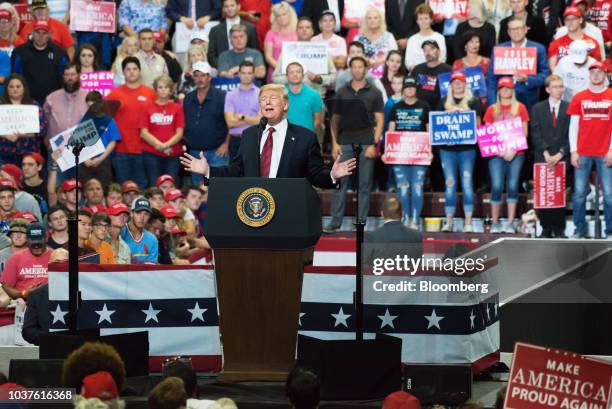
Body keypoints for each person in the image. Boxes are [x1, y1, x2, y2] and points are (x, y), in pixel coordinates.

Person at [181, 83, 356, 187]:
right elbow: (236, 171)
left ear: (285, 105)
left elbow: (315, 175)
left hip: (287, 211)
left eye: (272, 98)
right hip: (254, 209)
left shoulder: (305, 138)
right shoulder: (249, 135)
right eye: (263, 99)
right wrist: (208, 171)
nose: (267, 102)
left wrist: (332, 176)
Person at [325, 56, 383, 232]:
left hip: (366, 142)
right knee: (340, 183)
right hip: (345, 141)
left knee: (364, 185)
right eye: (354, 67)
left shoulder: (375, 92)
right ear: (351, 70)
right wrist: (335, 144)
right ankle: (335, 223)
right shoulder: (342, 91)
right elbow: (334, 120)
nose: (357, 69)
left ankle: (361, 222)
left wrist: (374, 144)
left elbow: (380, 121)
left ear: (366, 69)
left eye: (360, 67)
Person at [567, 61, 612, 238]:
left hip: (604, 152)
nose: (596, 75)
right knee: (579, 195)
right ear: (589, 74)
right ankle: (580, 230)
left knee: (609, 195)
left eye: (599, 72)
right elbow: (573, 126)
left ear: (605, 75)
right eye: (593, 72)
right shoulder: (579, 97)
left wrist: (611, 149)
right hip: (583, 152)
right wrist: (573, 150)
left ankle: (610, 231)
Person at [437, 72, 484, 233]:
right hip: (447, 150)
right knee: (450, 184)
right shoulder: (443, 102)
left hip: (467, 150)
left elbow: (478, 127)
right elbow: (437, 126)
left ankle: (468, 223)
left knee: (467, 184)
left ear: (465, 84)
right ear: (450, 85)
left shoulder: (473, 102)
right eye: (455, 82)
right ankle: (449, 222)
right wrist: (446, 131)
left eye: (461, 82)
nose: (458, 84)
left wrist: (463, 115)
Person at [483, 77, 530, 233]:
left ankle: (510, 223)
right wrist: (500, 151)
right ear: (498, 90)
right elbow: (487, 136)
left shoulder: (520, 108)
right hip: (497, 154)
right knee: (496, 186)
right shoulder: (491, 110)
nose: (505, 91)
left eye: (508, 88)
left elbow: (525, 132)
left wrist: (513, 150)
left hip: (517, 153)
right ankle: (495, 223)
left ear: (513, 90)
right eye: (502, 88)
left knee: (512, 186)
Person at [383, 77, 431, 227]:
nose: (410, 89)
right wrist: (386, 151)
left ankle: (415, 220)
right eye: (407, 87)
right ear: (403, 89)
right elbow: (390, 131)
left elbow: (430, 131)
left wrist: (431, 150)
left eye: (412, 87)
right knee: (402, 187)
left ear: (416, 89)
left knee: (417, 187)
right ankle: (404, 219)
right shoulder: (396, 107)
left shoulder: (425, 106)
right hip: (399, 153)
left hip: (420, 153)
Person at [106, 56, 156, 188]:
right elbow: (105, 121)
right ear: (123, 72)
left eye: (135, 69)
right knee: (124, 188)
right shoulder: (114, 94)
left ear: (140, 71)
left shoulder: (150, 93)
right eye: (128, 69)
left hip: (145, 150)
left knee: (144, 188)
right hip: (121, 150)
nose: (132, 72)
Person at [531, 75, 570, 238]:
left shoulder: (569, 107)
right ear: (547, 89)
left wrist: (560, 154)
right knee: (545, 193)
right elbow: (535, 133)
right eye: (555, 86)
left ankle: (559, 228)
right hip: (543, 156)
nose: (559, 90)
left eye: (561, 86)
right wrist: (546, 153)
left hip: (562, 156)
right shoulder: (537, 108)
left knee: (560, 192)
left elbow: (572, 134)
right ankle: (546, 227)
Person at [487, 17, 549, 112]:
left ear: (525, 30)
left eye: (519, 28)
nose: (516, 32)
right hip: (503, 102)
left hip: (529, 102)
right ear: (508, 32)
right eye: (513, 29)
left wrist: (528, 79)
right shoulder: (499, 49)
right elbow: (492, 80)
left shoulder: (539, 49)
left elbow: (545, 76)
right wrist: (492, 105)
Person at [183, 61, 228, 185]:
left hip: (218, 151)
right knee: (198, 189)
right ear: (193, 77)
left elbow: (231, 123)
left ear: (209, 77)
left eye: (203, 75)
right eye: (196, 75)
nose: (200, 79)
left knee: (219, 187)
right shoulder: (188, 98)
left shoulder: (222, 96)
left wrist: (226, 143)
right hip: (195, 151)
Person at [272, 17, 336, 99]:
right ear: (296, 31)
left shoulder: (321, 50)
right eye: (301, 27)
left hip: (316, 98)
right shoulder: (287, 51)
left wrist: (319, 79)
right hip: (291, 99)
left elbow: (334, 77)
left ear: (312, 31)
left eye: (307, 27)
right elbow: (275, 77)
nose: (304, 30)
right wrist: (289, 78)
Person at [43, 62, 88, 173]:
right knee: (55, 185)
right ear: (63, 77)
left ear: (78, 76)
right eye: (67, 75)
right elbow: (45, 122)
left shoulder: (88, 97)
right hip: (56, 150)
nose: (70, 78)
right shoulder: (51, 98)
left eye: (73, 74)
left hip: (81, 151)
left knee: (77, 187)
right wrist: (46, 142)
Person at [140, 75, 185, 187]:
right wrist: (160, 145)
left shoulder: (177, 108)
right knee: (154, 186)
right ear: (155, 89)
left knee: (172, 185)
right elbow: (143, 133)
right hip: (151, 153)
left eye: (166, 87)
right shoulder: (147, 107)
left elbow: (180, 133)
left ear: (170, 90)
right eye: (160, 87)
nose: (163, 90)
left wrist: (166, 145)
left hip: (173, 153)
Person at [12, 19, 68, 104]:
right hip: (27, 102)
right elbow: (15, 77)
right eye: (38, 32)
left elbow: (66, 76)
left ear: (49, 34)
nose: (40, 36)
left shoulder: (59, 52)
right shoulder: (20, 52)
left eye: (44, 33)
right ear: (32, 33)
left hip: (54, 102)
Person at [0, 74, 48, 166]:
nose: (15, 89)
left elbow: (43, 128)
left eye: (18, 86)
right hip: (4, 154)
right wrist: (5, 135)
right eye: (11, 86)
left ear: (24, 88)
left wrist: (25, 134)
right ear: (7, 88)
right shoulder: (0, 105)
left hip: (29, 155)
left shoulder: (34, 106)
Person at [79, 91, 121, 187]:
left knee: (104, 188)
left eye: (93, 105)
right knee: (86, 188)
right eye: (88, 106)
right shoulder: (84, 120)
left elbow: (113, 142)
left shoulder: (109, 120)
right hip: (86, 161)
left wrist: (100, 158)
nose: (91, 108)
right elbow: (78, 142)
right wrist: (85, 158)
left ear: (100, 103)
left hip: (104, 160)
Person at [0, 222, 51, 300]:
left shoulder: (55, 256)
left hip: (50, 303)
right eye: (33, 243)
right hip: (24, 304)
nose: (36, 246)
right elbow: (6, 287)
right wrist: (24, 293)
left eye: (39, 243)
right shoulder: (16, 258)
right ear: (27, 239)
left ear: (46, 238)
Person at [224, 61, 261, 159]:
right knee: (235, 173)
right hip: (235, 140)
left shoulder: (261, 94)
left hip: (254, 139)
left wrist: (242, 117)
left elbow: (262, 121)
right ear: (239, 74)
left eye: (249, 73)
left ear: (253, 75)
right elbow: (230, 123)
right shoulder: (230, 94)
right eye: (243, 73)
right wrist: (253, 120)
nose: (246, 76)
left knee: (253, 173)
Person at [548, 6, 602, 71]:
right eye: (567, 19)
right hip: (563, 78)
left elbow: (597, 66)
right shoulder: (556, 43)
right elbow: (553, 67)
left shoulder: (592, 43)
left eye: (574, 18)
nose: (570, 22)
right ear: (564, 22)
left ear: (580, 20)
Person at [207, 0, 258, 68]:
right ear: (223, 9)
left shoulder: (250, 28)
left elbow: (254, 53)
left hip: (245, 72)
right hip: (223, 72)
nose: (229, 9)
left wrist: (243, 68)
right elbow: (211, 55)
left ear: (238, 7)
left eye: (232, 5)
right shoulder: (215, 30)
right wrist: (223, 67)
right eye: (226, 6)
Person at [354, 7, 397, 76]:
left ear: (380, 20)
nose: (372, 20)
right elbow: (352, 56)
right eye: (369, 18)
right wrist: (364, 60)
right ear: (365, 21)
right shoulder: (358, 38)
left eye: (375, 18)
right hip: (363, 73)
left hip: (386, 73)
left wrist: (382, 61)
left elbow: (395, 55)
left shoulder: (389, 36)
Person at [404, 4, 447, 72]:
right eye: (420, 19)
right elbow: (408, 62)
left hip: (435, 73)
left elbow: (442, 59)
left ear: (431, 19)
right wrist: (419, 71)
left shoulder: (439, 38)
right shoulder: (412, 39)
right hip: (416, 74)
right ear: (417, 21)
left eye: (426, 18)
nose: (423, 22)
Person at [412, 40, 452, 111]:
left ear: (439, 51)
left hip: (442, 110)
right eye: (425, 50)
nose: (428, 53)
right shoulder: (418, 69)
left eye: (431, 49)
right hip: (421, 111)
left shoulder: (448, 70)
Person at [264, 2, 298, 83]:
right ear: (274, 18)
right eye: (278, 16)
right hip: (276, 73)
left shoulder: (297, 31)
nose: (281, 17)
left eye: (284, 14)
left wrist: (292, 70)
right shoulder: (270, 33)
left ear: (289, 15)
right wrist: (283, 69)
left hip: (296, 74)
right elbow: (268, 57)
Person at [285, 62, 323, 133]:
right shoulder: (280, 94)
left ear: (303, 76)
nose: (295, 74)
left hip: (307, 137)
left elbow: (317, 121)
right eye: (291, 72)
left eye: (298, 72)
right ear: (286, 76)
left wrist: (306, 136)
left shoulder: (314, 94)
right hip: (285, 137)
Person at [120, 197, 158, 263]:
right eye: (138, 213)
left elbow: (151, 268)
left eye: (146, 214)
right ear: (131, 213)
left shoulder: (152, 239)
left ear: (149, 216)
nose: (142, 217)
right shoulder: (121, 233)